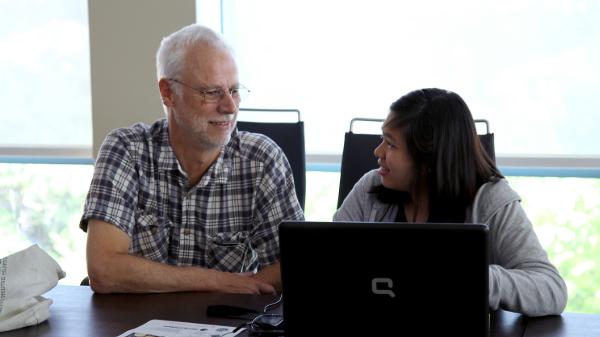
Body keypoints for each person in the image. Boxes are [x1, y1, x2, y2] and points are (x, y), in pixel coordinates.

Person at [79, 24, 303, 294]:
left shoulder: (262, 159)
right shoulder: (126, 150)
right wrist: (215, 280)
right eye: (211, 92)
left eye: (233, 90)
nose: (230, 107)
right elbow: (103, 270)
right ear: (168, 93)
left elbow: (292, 265)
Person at [334, 88, 567, 316]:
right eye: (382, 139)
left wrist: (475, 277)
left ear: (428, 160)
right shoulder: (371, 188)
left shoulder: (490, 199)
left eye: (391, 144)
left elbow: (550, 288)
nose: (378, 151)